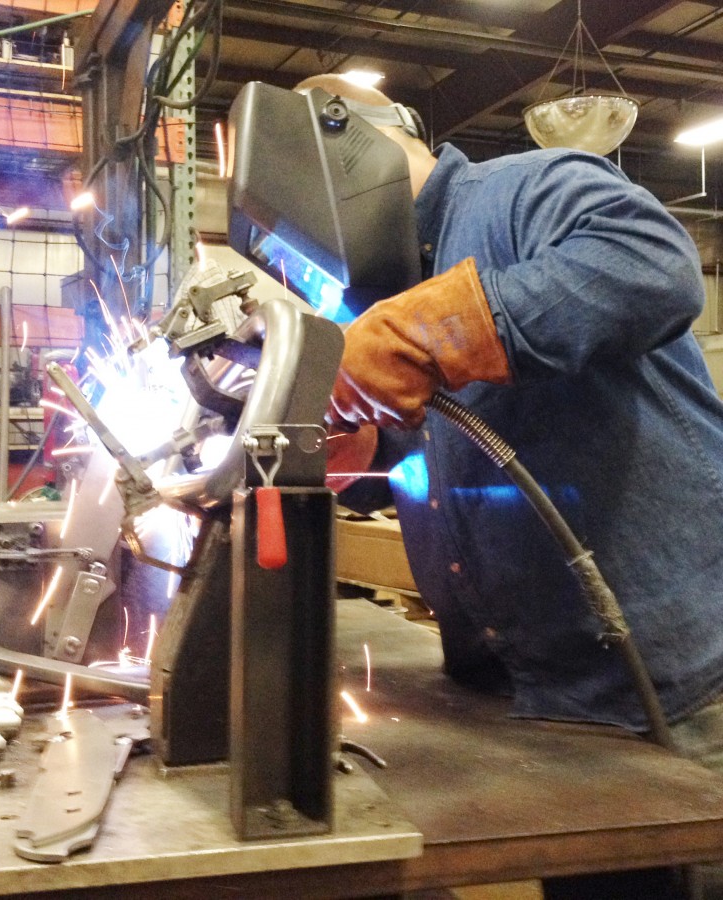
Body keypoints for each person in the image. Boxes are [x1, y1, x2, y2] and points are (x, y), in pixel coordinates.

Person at [299, 73, 723, 899]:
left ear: (343, 150)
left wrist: (427, 332)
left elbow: (653, 267)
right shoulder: (381, 292)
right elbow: (442, 465)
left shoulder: (527, 189)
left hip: (679, 690)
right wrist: (355, 458)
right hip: (546, 706)